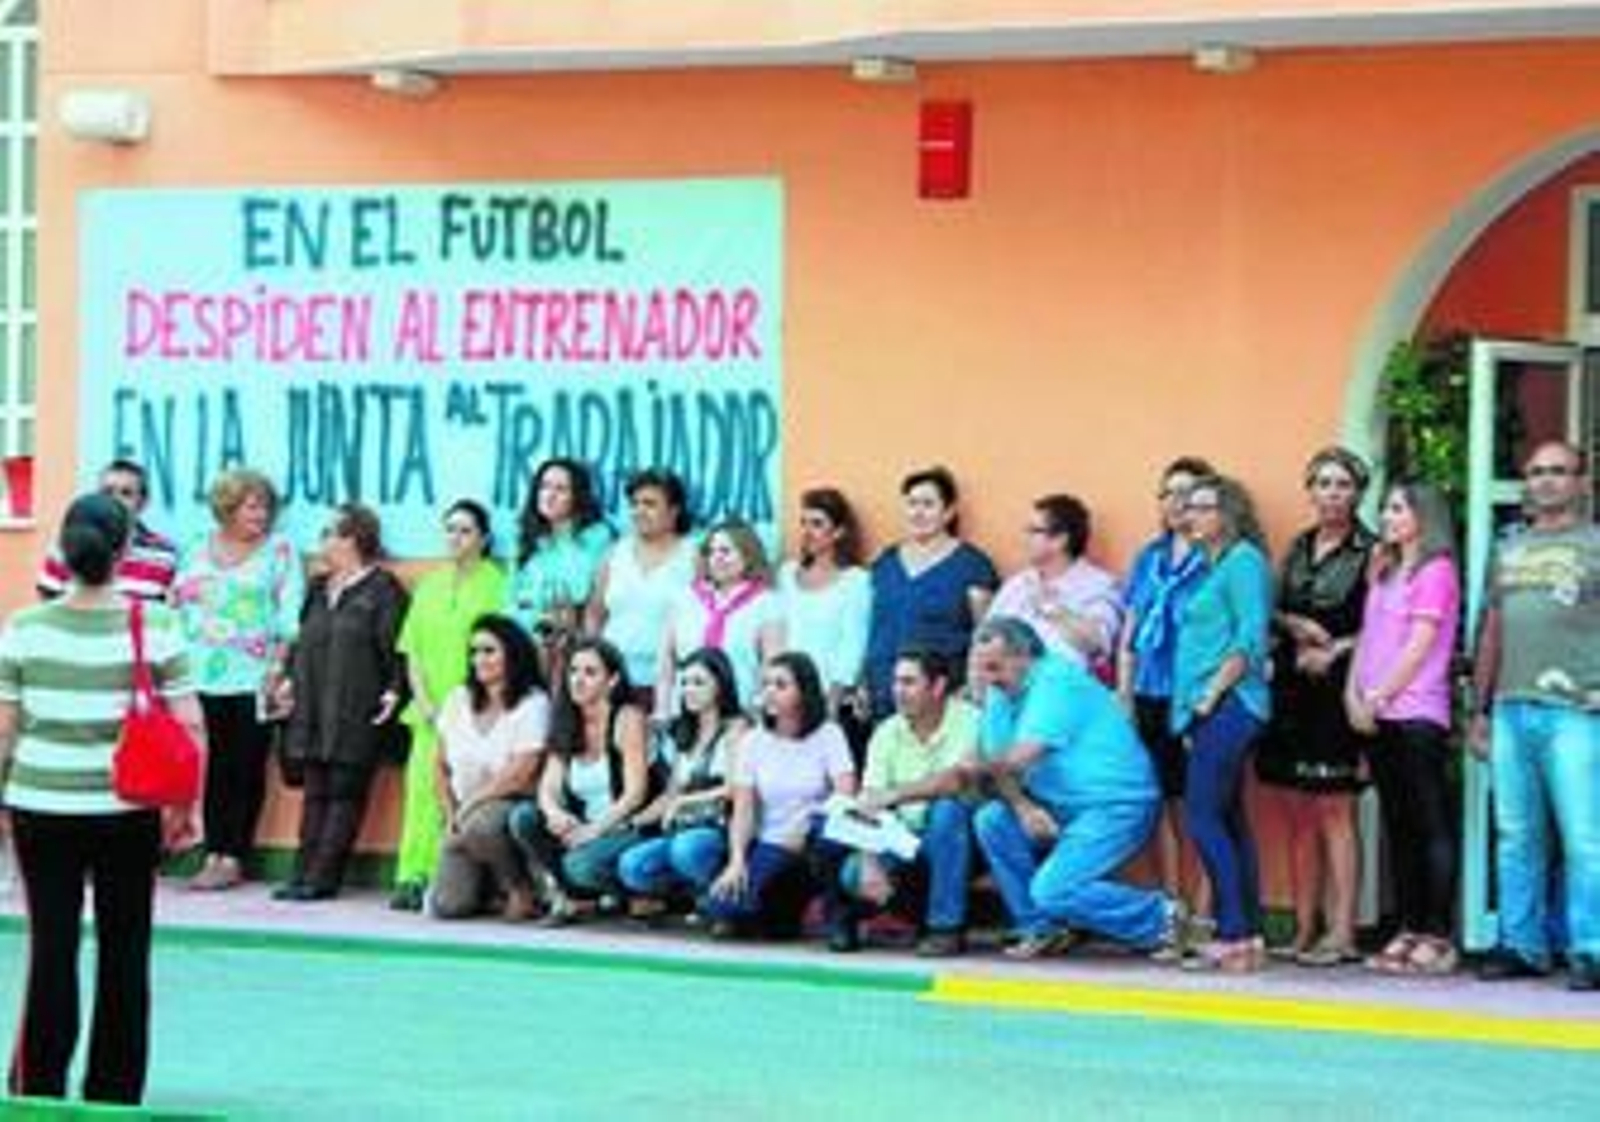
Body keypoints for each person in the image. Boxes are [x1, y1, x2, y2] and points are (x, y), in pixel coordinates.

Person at [0, 493, 205, 1105]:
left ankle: (37, 1086)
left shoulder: (23, 629)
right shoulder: (157, 624)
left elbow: (5, 728)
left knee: (51, 947)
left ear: (63, 550)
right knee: (125, 947)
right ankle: (113, 1094)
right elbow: (190, 724)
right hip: (128, 807)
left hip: (41, 804)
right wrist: (186, 807)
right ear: (123, 553)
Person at [967, 618, 1186, 961]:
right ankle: (1042, 929)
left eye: (994, 667)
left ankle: (1167, 921)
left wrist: (967, 770)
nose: (989, 679)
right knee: (991, 820)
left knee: (1053, 890)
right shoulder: (1001, 691)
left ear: (1025, 656)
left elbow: (1017, 758)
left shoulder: (1055, 681)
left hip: (1116, 806)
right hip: (1059, 805)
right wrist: (1023, 808)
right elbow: (1000, 766)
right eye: (982, 669)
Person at [1471, 441, 1599, 990]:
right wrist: (1478, 707)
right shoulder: (1509, 549)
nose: (1546, 481)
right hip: (1511, 706)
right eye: (1536, 472)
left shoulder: (1595, 544)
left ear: (1582, 482)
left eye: (1558, 472)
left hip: (1575, 710)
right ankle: (1522, 944)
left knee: (1583, 836)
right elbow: (1493, 630)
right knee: (1515, 834)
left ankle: (1590, 948)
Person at [1257, 447, 1374, 965]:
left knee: (1335, 808)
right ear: (1310, 491)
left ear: (1358, 493)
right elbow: (1275, 607)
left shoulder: (1372, 551)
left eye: (1342, 485)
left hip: (1340, 689)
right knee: (1297, 810)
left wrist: (1335, 650)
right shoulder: (1300, 546)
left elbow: (1384, 623)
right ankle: (1304, 926)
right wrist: (1292, 626)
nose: (1331, 494)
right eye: (1323, 484)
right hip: (1293, 689)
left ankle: (1343, 930)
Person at [1346, 482, 1461, 976]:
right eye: (1387, 508)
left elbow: (1418, 646)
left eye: (1397, 508)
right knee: (1399, 827)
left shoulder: (1437, 572)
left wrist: (1380, 695)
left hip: (1416, 713)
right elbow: (1369, 637)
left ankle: (1436, 934)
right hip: (1379, 713)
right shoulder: (1386, 570)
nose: (1387, 517)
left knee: (1429, 822)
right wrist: (1352, 693)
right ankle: (1408, 926)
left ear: (1423, 516)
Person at [171, 468, 305, 891]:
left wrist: (278, 669)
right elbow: (176, 606)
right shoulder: (195, 547)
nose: (261, 514)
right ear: (227, 507)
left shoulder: (280, 550)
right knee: (212, 766)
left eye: (266, 506)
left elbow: (289, 615)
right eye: (252, 505)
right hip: (200, 674)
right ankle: (211, 850)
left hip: (255, 677)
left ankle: (233, 855)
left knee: (246, 766)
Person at [274, 504, 409, 901]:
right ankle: (300, 874)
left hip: (357, 707)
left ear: (352, 538)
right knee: (314, 788)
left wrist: (395, 690)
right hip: (313, 708)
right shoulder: (318, 589)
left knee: (345, 791)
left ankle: (323, 878)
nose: (323, 542)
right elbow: (302, 643)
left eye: (329, 533)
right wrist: (287, 682)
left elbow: (398, 650)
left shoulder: (383, 590)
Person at [1171, 474, 1274, 972]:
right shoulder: (1207, 567)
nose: (1192, 514)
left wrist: (1209, 698)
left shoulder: (1243, 562)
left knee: (1202, 817)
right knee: (1229, 819)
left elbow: (1250, 638)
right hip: (1208, 708)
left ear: (1230, 513)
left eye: (1204, 507)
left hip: (1230, 705)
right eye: (1188, 506)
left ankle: (1233, 933)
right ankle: (1248, 935)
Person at [389, 500, 509, 912]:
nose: (455, 538)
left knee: (461, 796)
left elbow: (499, 648)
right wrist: (423, 700)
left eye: (465, 531)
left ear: (483, 539)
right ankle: (410, 875)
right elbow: (412, 651)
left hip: (474, 711)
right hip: (429, 713)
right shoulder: (430, 584)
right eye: (450, 530)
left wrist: (475, 703)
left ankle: (446, 880)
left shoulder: (497, 584)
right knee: (421, 792)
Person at [830, 649, 980, 956]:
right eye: (896, 681)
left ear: (937, 686)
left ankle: (945, 928)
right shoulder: (886, 731)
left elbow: (956, 781)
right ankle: (912, 920)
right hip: (905, 838)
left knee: (947, 811)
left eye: (909, 682)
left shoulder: (970, 720)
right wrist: (870, 864)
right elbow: (870, 803)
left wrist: (896, 794)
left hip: (962, 840)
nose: (898, 690)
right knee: (854, 873)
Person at [1117, 456, 1214, 932]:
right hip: (1151, 692)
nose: (1177, 503)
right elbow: (1131, 629)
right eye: (1168, 493)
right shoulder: (1149, 557)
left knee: (1200, 806)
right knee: (1160, 801)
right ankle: (1170, 909)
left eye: (1188, 493)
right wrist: (1124, 691)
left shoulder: (1217, 557)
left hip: (1194, 697)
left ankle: (1204, 911)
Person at [705, 652, 857, 939]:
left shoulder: (829, 734)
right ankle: (780, 912)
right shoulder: (753, 741)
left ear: (804, 692)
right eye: (766, 685)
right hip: (771, 842)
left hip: (814, 842)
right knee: (721, 907)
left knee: (827, 835)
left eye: (781, 685)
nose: (770, 693)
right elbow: (744, 809)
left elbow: (845, 796)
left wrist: (805, 832)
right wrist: (737, 860)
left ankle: (834, 914)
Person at [508, 638, 651, 921]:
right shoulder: (566, 718)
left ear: (612, 680)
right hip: (584, 827)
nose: (578, 680)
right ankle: (577, 896)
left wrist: (594, 831)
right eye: (573, 671)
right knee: (524, 817)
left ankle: (637, 895)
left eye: (590, 672)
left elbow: (635, 793)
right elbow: (548, 786)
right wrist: (554, 812)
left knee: (580, 866)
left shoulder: (627, 717)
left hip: (626, 827)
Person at [429, 615, 551, 921]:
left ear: (512, 653)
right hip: (463, 810)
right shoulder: (459, 699)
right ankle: (490, 886)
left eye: (489, 651)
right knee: (448, 906)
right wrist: (448, 815)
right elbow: (439, 765)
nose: (478, 659)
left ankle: (520, 888)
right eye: (474, 652)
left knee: (480, 826)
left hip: (510, 803)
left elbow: (522, 771)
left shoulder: (533, 703)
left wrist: (469, 805)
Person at [617, 647, 749, 916]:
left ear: (720, 686)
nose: (689, 689)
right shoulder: (684, 731)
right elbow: (671, 794)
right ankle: (692, 895)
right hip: (683, 826)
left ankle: (717, 903)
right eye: (685, 683)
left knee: (686, 849)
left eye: (699, 683)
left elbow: (735, 789)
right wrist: (632, 821)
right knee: (631, 866)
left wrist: (683, 802)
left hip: (721, 828)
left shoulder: (737, 728)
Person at [864, 466, 999, 719]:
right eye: (912, 503)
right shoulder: (886, 562)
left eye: (928, 504)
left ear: (948, 512)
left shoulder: (972, 566)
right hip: (884, 696)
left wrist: (974, 688)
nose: (918, 512)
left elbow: (987, 635)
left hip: (943, 702)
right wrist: (863, 681)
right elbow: (874, 627)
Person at [586, 468, 697, 709]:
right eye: (634, 503)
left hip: (668, 684)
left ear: (673, 511)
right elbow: (595, 613)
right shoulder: (615, 554)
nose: (639, 511)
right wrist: (593, 662)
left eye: (650, 504)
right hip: (614, 681)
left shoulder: (693, 556)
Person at [657, 519, 784, 713]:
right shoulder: (684, 599)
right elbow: (666, 661)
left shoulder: (766, 603)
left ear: (747, 555)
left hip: (740, 714)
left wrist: (758, 711)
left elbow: (772, 664)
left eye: (725, 551)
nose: (717, 557)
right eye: (711, 551)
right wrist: (662, 708)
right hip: (684, 715)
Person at [988, 493, 1121, 671]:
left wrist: (1052, 609)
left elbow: (1097, 644)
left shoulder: (1098, 585)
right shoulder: (1017, 584)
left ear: (1060, 540)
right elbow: (985, 637)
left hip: (1064, 691)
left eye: (1034, 531)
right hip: (1005, 690)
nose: (1025, 538)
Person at [775, 488, 872, 718]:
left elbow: (853, 645)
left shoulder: (856, 581)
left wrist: (833, 702)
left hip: (827, 700)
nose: (807, 531)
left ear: (838, 532)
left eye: (817, 524)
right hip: (783, 697)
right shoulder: (785, 574)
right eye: (804, 523)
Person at [507, 457, 614, 650]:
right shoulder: (525, 536)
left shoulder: (598, 536)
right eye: (544, 487)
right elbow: (512, 599)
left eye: (561, 489)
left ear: (577, 495)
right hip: (525, 641)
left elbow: (581, 593)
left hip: (573, 641)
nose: (549, 495)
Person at [35, 459, 176, 603]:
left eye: (126, 493)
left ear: (143, 502)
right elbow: (47, 601)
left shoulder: (163, 552)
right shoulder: (67, 545)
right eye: (107, 491)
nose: (115, 499)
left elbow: (163, 606)